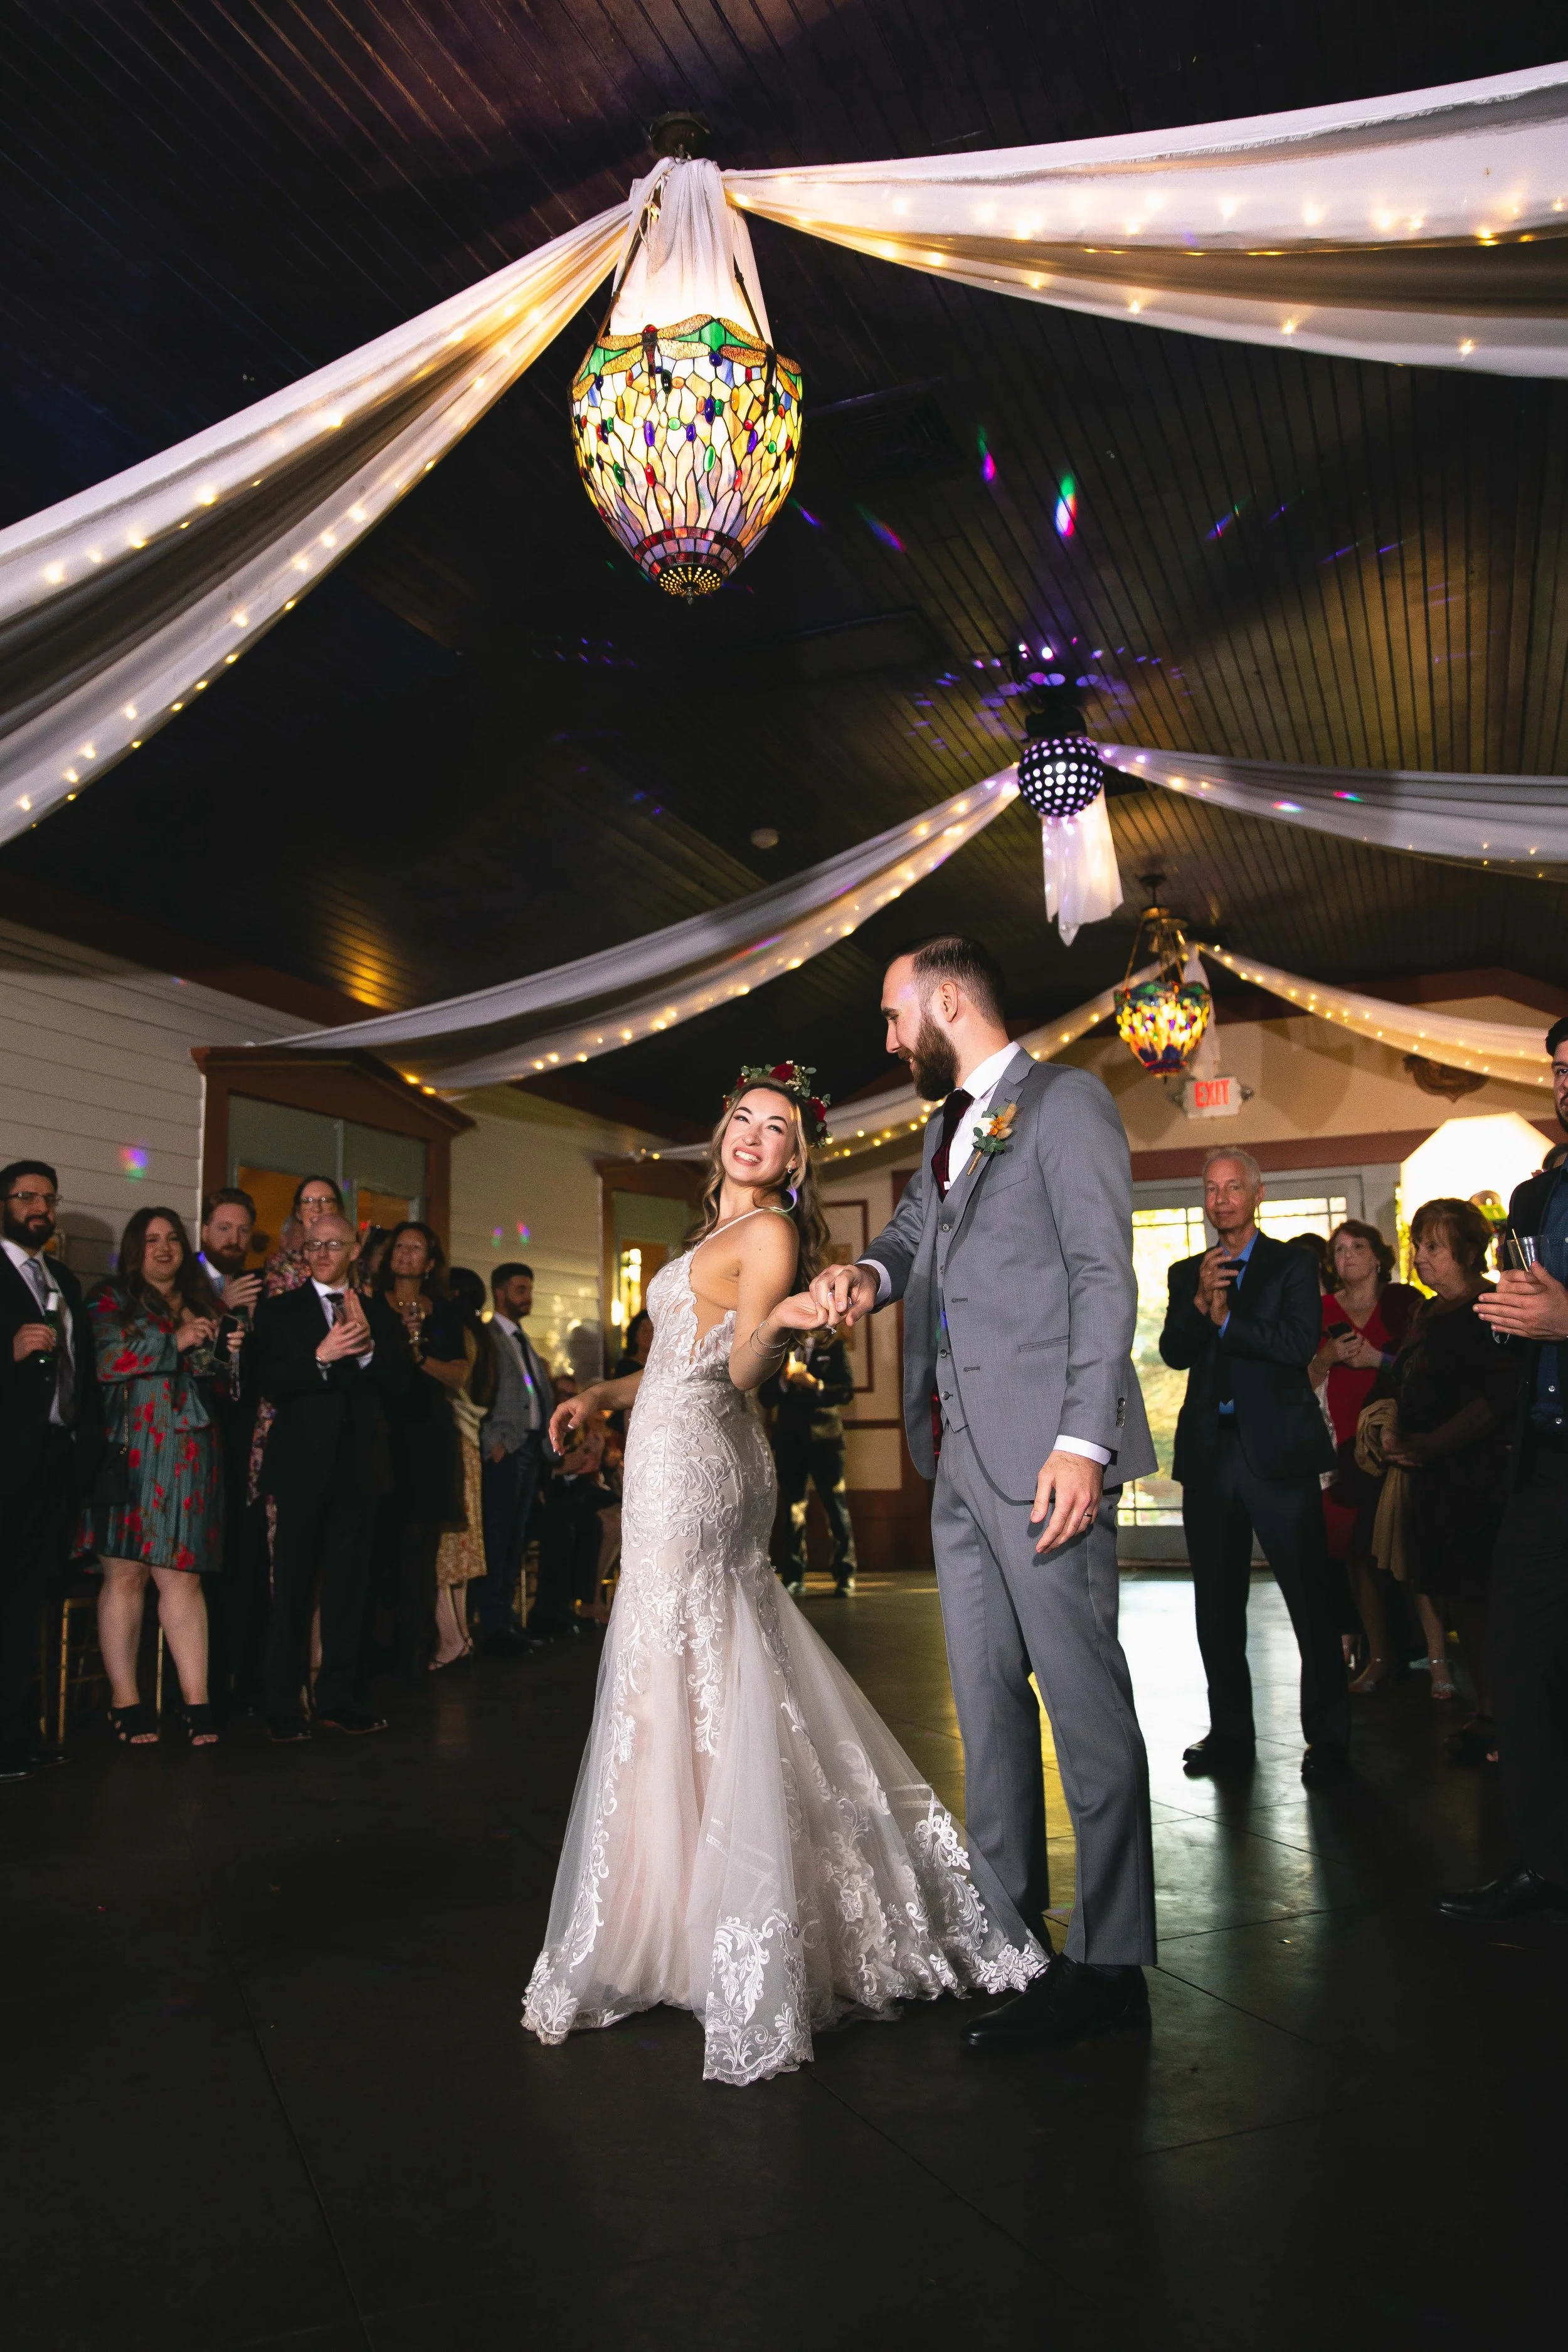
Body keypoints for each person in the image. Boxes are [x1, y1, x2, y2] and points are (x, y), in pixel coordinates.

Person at [525, 1060, 1042, 2084]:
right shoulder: (709, 1238)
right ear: (722, 1131)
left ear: (797, 1157)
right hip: (673, 1445)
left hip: (704, 1465)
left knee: (688, 1664)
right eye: (745, 1120)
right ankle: (677, 1913)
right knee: (686, 1673)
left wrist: (783, 1324)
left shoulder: (766, 1234)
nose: (757, 1136)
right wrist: (601, 1392)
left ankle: (732, 1919)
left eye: (778, 1128)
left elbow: (739, 1367)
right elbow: (678, 1357)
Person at [812, 941, 1158, 2053]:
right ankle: (1012, 1942)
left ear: (947, 1000)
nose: (887, 1038)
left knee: (1087, 1712)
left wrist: (1082, 1442)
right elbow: (915, 1236)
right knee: (987, 1711)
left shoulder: (1065, 1103)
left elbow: (1107, 1272)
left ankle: (1110, 1971)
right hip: (959, 1464)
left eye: (891, 1015)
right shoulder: (944, 1127)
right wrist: (865, 1278)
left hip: (1048, 1462)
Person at [1159, 1148, 1350, 1785]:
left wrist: (1229, 1319)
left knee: (1308, 1603)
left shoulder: (1292, 1264)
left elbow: (1298, 1345)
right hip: (1209, 1460)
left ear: (1256, 1193)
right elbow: (1172, 1352)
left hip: (1278, 1458)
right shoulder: (1189, 1270)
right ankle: (1230, 1735)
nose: (1221, 1199)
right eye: (1211, 1189)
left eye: (1233, 1187)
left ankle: (1328, 1740)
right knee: (1215, 1608)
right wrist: (1197, 1308)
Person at [1446, 1018, 1568, 1918]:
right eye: (1560, 1071)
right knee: (1524, 1667)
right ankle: (1543, 1867)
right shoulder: (1545, 1194)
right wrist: (1511, 1313)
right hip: (1545, 1459)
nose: (1567, 1084)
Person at [251, 1214, 409, 1741]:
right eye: (313, 1244)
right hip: (300, 1468)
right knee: (291, 1588)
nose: (321, 1253)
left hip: (360, 1469)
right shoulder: (279, 1312)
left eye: (333, 1244)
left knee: (349, 1590)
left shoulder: (379, 1314)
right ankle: (280, 1703)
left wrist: (365, 1355)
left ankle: (338, 1700)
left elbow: (403, 1385)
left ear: (356, 1248)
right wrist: (320, 1356)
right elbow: (266, 1380)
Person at [1380, 1200, 1518, 1764]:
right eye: (1418, 1245)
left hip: (1479, 1481)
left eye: (1434, 1247)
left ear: (1465, 1250)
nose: (1422, 1257)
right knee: (1459, 1601)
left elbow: (1496, 1400)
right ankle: (1488, 1713)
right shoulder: (1429, 1314)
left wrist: (1430, 1445)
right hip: (1433, 1482)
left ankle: (1510, 1720)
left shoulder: (1490, 1307)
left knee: (1487, 1603)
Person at [82, 1208, 226, 1746]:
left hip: (190, 1453)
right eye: (150, 1240)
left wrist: (225, 1355)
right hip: (128, 1449)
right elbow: (105, 1359)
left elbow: (216, 1384)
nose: (163, 1248)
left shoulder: (203, 1303)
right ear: (134, 1248)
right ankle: (127, 1701)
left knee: (184, 1578)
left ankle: (197, 1704)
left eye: (172, 1239)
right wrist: (179, 1340)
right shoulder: (109, 1298)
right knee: (125, 1576)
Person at [0, 1159, 102, 1782]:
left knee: (26, 1603)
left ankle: (17, 1735)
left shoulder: (61, 1276)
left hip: (52, 1464)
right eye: (26, 1196)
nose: (40, 1206)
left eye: (48, 1197)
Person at [1308, 1220, 1421, 1694]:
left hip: (1392, 1440)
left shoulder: (1404, 1305)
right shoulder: (1321, 1310)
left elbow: (1427, 1370)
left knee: (1405, 1547)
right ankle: (1377, 1654)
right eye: (1339, 1250)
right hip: (1337, 1444)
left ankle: (1430, 1656)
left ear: (1379, 1256)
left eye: (1358, 1247)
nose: (1348, 1255)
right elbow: (1302, 1379)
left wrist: (1379, 1360)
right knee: (1353, 1555)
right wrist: (1330, 1356)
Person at [375, 1222, 465, 1685]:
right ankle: (377, 1650)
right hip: (381, 1437)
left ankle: (414, 1654)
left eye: (417, 1248)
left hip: (427, 1440)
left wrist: (418, 1356)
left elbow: (459, 1374)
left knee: (418, 1550)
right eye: (401, 1247)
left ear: (430, 1263)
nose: (406, 1254)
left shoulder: (443, 1312)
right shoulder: (372, 1305)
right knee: (379, 1547)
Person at [198, 1188, 270, 1718]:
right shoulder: (186, 1285)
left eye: (243, 1230)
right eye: (224, 1229)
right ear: (204, 1232)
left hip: (250, 1444)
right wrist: (227, 1310)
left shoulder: (265, 1289)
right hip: (197, 1440)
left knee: (246, 1563)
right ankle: (204, 1689)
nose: (234, 1240)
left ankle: (245, 1683)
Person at [477, 1262, 553, 1656]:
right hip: (507, 1447)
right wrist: (494, 1439)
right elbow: (480, 1390)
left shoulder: (523, 1340)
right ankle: (493, 1625)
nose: (529, 1296)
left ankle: (506, 1621)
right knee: (499, 1537)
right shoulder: (489, 1338)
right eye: (521, 1288)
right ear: (501, 1292)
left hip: (531, 1449)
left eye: (530, 1287)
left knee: (516, 1537)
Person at [760, 1326, 859, 1595]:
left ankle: (845, 1573)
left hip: (826, 1440)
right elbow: (765, 1398)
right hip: (790, 1441)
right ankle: (794, 1575)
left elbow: (846, 1391)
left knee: (836, 1508)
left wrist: (815, 1384)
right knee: (793, 1510)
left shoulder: (834, 1348)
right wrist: (782, 1381)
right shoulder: (781, 1350)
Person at [431, 1266, 496, 1669]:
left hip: (455, 1440)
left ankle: (450, 1639)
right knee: (464, 1547)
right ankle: (461, 1635)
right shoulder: (483, 1337)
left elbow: (453, 1386)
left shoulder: (458, 1339)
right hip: (472, 1443)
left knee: (447, 1548)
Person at [527, 1419, 618, 1638]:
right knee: (577, 1526)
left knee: (616, 1515)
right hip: (549, 1500)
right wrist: (569, 1466)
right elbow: (550, 1469)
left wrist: (595, 1458)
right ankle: (572, 1603)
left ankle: (587, 1598)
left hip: (575, 1494)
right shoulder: (549, 1430)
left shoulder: (581, 1434)